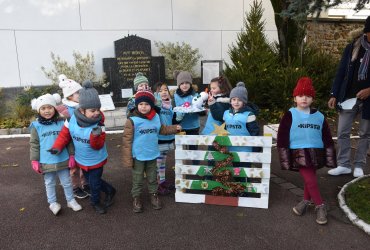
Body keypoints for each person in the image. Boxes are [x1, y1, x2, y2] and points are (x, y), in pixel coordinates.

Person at [49, 80, 116, 215]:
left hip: (96, 160)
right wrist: (57, 146)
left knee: (93, 183)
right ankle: (110, 190)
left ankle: (95, 202)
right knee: (92, 181)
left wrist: (96, 136)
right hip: (82, 160)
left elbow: (97, 146)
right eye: (92, 110)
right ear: (81, 110)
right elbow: (64, 134)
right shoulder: (71, 119)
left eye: (98, 109)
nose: (96, 113)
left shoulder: (99, 124)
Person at [277, 77, 337, 225]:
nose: (304, 98)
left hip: (316, 153)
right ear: (295, 97)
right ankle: (320, 205)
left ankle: (305, 201)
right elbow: (282, 136)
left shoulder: (319, 116)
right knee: (310, 180)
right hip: (299, 153)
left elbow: (327, 137)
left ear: (313, 98)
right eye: (300, 95)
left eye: (308, 96)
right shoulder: (290, 114)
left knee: (309, 180)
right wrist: (284, 157)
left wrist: (330, 156)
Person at [122, 90, 181, 213]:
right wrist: (127, 159)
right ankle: (136, 197)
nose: (144, 107)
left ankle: (154, 194)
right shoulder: (132, 121)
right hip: (138, 156)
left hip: (152, 154)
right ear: (137, 105)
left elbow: (162, 129)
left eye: (147, 104)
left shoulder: (156, 117)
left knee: (152, 177)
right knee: (137, 179)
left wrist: (175, 128)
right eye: (141, 104)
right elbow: (127, 141)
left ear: (152, 105)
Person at [327, 16, 370, 178]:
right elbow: (341, 72)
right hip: (348, 97)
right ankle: (344, 164)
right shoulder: (353, 47)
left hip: (369, 101)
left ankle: (359, 165)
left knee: (365, 134)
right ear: (367, 32)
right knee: (342, 131)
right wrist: (334, 94)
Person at [29, 93, 82, 215]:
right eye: (43, 108)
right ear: (38, 110)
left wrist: (72, 155)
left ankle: (71, 200)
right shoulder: (36, 126)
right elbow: (34, 144)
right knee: (49, 183)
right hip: (46, 161)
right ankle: (52, 203)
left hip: (62, 159)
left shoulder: (61, 123)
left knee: (67, 181)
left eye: (49, 107)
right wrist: (34, 160)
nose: (47, 111)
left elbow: (68, 141)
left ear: (54, 108)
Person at [56, 74, 90, 199]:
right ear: (70, 96)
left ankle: (85, 183)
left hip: (82, 140)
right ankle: (75, 187)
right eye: (78, 93)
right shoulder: (64, 110)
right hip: (70, 142)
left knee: (83, 165)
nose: (81, 95)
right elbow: (62, 126)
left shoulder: (84, 106)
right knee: (73, 168)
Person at [223, 82, 259, 153]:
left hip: (245, 149)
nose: (236, 102)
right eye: (234, 99)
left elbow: (254, 132)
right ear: (230, 101)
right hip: (230, 148)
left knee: (244, 164)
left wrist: (255, 148)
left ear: (244, 102)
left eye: (239, 100)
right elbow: (224, 129)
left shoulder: (249, 115)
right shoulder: (226, 113)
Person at [155, 82, 178, 195]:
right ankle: (157, 184)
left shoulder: (170, 106)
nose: (164, 92)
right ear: (155, 94)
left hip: (169, 137)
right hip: (160, 138)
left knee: (163, 162)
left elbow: (173, 120)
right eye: (160, 91)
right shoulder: (156, 107)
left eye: (165, 90)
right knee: (158, 163)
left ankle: (162, 181)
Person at [173, 71, 201, 136]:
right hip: (180, 127)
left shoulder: (196, 95)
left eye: (187, 83)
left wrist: (198, 109)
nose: (184, 85)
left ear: (190, 84)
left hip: (194, 126)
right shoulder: (175, 96)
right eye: (182, 83)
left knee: (193, 145)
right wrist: (178, 118)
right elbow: (173, 113)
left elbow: (202, 111)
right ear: (179, 85)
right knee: (180, 145)